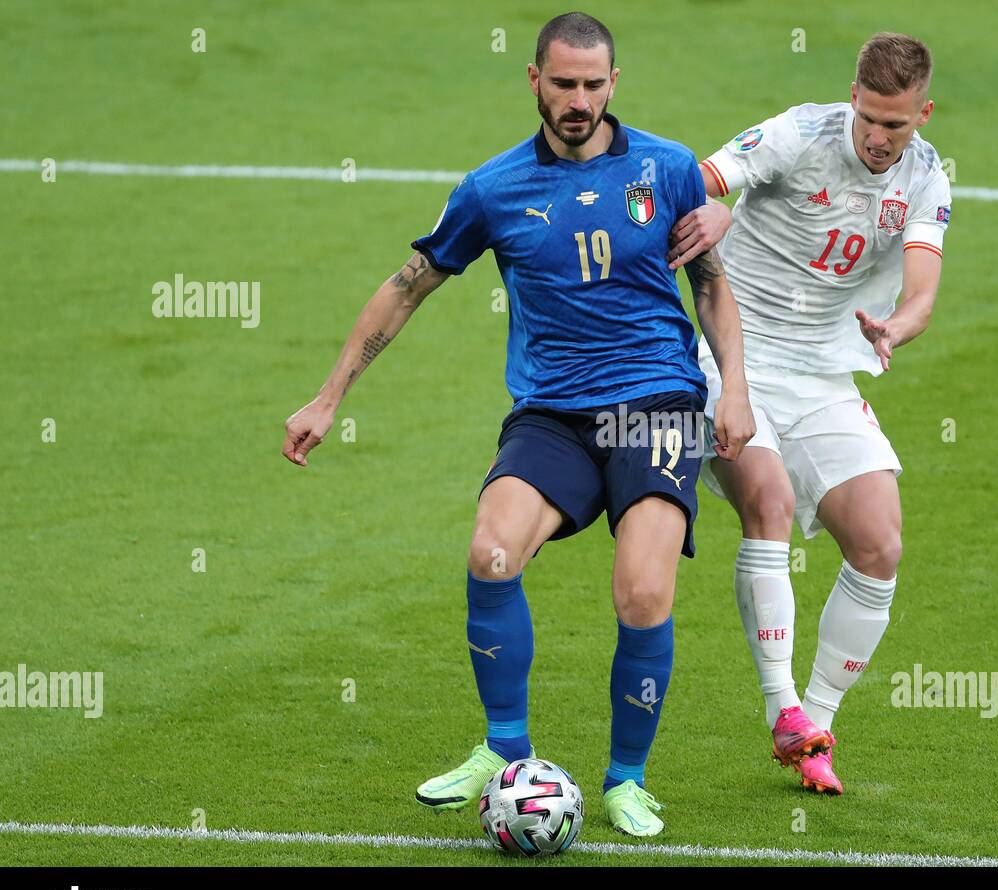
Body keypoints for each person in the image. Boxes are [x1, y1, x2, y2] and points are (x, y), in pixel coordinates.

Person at [282, 12, 754, 838]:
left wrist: (736, 390)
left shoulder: (666, 168)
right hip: (553, 414)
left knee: (642, 591)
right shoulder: (493, 188)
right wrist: (329, 396)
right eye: (563, 83)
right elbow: (408, 285)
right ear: (533, 79)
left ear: (614, 84)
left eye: (593, 84)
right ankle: (505, 753)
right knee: (490, 551)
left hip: (658, 404)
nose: (578, 100)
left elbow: (710, 283)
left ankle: (625, 781)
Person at [668, 32, 951, 795]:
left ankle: (816, 725)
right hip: (731, 360)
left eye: (897, 124)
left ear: (923, 113)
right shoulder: (799, 132)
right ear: (852, 97)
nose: (879, 137)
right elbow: (687, 182)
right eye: (869, 118)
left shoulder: (927, 179)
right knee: (770, 498)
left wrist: (897, 326)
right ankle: (784, 709)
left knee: (880, 543)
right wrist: (709, 215)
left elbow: (922, 289)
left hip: (825, 377)